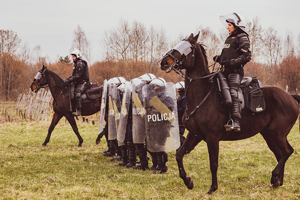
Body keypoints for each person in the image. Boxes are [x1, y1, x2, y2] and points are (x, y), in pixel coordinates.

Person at [213, 12, 251, 132]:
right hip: (225, 71)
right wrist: (219, 58)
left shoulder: (243, 38)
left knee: (233, 93)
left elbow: (247, 56)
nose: (227, 27)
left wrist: (232, 62)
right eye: (228, 25)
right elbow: (228, 55)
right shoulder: (229, 38)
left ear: (237, 25)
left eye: (229, 25)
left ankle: (236, 122)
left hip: (235, 72)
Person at [64, 48, 90, 116]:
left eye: (73, 56)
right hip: (79, 82)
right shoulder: (76, 64)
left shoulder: (80, 63)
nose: (72, 58)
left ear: (77, 56)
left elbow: (77, 76)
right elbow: (74, 75)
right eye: (72, 56)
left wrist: (69, 80)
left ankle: (79, 110)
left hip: (84, 82)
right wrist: (68, 79)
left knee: (78, 92)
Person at [175, 81, 186, 147]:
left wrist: (175, 111)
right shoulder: (180, 96)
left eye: (179, 89)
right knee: (177, 134)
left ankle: (184, 146)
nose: (177, 90)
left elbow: (183, 108)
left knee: (179, 134)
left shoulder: (184, 97)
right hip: (177, 117)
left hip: (181, 117)